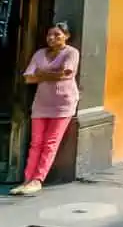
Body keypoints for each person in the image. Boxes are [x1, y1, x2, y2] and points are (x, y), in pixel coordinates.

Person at [9, 22, 79, 196]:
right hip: (41, 103)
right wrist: (51, 75)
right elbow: (28, 78)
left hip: (63, 104)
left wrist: (41, 75)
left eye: (57, 35)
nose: (52, 38)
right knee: (36, 143)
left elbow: (66, 74)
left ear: (66, 36)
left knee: (50, 143)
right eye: (49, 35)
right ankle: (27, 179)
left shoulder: (71, 52)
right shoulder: (40, 53)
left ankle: (38, 179)